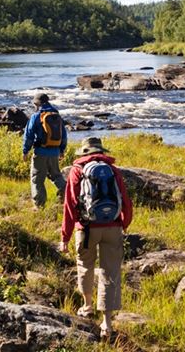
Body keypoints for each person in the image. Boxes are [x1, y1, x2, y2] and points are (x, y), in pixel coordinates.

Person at [59, 137, 133, 339]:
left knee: (85, 264)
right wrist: (124, 223)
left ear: (84, 152)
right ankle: (107, 323)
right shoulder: (113, 170)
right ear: (101, 151)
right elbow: (125, 200)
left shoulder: (77, 170)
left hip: (87, 228)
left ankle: (87, 305)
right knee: (110, 272)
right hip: (113, 226)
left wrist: (65, 236)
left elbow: (70, 206)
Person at [22, 92, 67, 208]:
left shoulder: (36, 116)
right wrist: (62, 150)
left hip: (41, 152)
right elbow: (64, 135)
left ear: (37, 103)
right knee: (56, 175)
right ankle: (67, 194)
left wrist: (25, 150)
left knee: (37, 179)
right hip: (55, 151)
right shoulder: (56, 115)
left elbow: (29, 135)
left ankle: (39, 206)